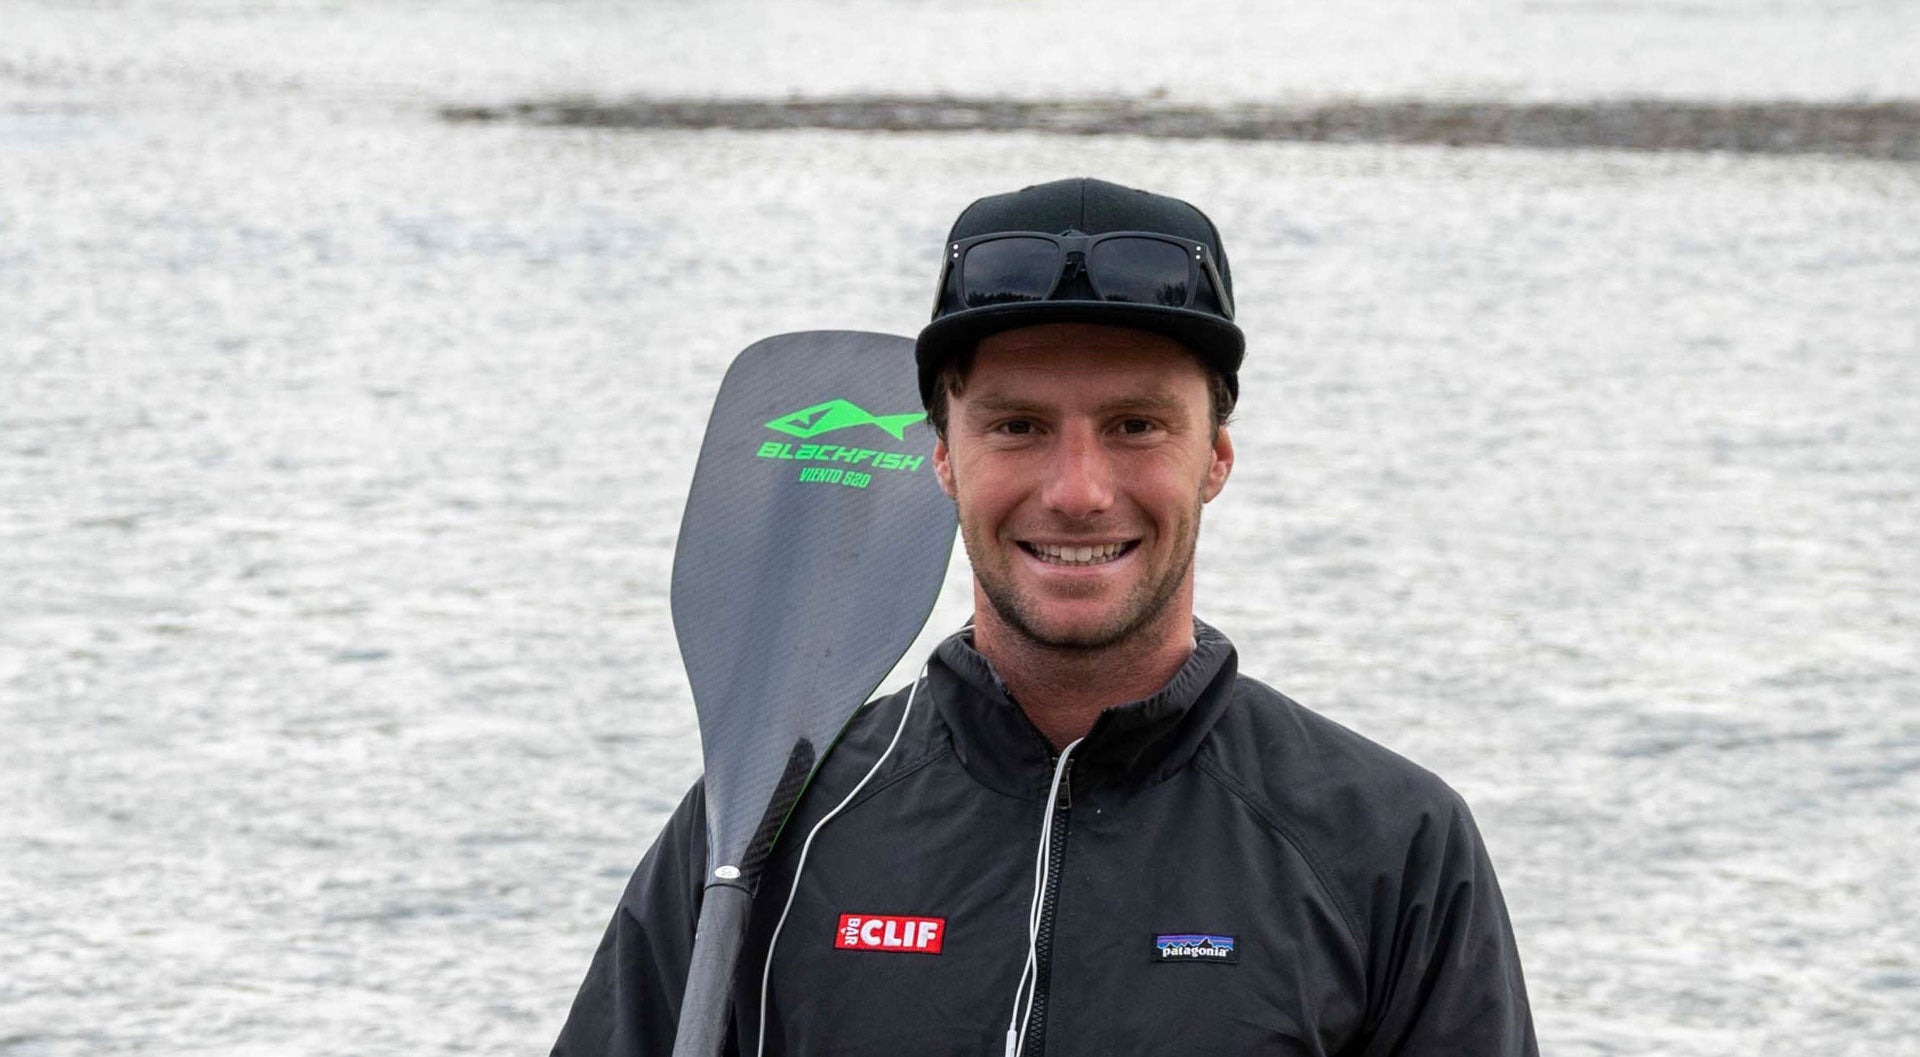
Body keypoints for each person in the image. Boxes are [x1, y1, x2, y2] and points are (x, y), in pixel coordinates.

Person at [554, 177, 1537, 1056]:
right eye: (1018, 425)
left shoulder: (1387, 846)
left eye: (1136, 426)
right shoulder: (769, 816)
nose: (1077, 490)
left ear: (1216, 458)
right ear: (941, 455)